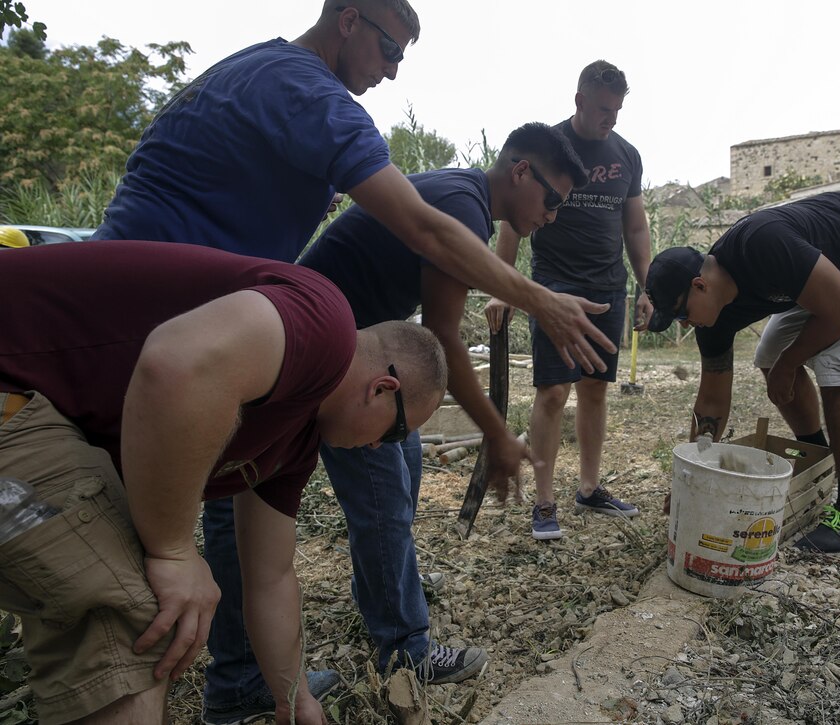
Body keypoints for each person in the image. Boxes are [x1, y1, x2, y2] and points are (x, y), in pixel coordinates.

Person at [89, 1, 615, 720]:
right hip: (243, 339)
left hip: (225, 325)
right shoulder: (317, 97)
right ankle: (390, 651)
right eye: (390, 48)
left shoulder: (269, 75)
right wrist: (538, 308)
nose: (392, 71)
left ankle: (255, 679)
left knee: (283, 489)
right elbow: (434, 283)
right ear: (349, 19)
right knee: (345, 497)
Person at [0, 240, 448, 725]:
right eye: (398, 431)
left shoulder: (293, 441)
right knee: (135, 622)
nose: (384, 447)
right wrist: (172, 551)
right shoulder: (324, 325)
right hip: (14, 388)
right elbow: (175, 361)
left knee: (111, 610)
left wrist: (292, 695)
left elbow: (271, 576)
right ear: (383, 389)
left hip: (40, 423)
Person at [297, 121, 588, 681]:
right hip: (332, 361)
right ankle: (405, 649)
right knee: (383, 496)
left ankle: (386, 595)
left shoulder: (462, 192)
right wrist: (498, 434)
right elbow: (445, 337)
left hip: (354, 349)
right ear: (521, 171)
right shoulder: (465, 208)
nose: (552, 215)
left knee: (402, 468)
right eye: (552, 199)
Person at [644, 191, 840, 553]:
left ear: (699, 285)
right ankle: (817, 460)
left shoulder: (760, 244)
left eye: (681, 315)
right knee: (770, 353)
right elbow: (710, 400)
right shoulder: (714, 317)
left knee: (839, 363)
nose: (684, 325)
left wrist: (790, 364)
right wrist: (691, 475)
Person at [485, 60, 653, 540]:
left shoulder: (627, 156)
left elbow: (636, 226)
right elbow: (513, 218)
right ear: (579, 101)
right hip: (554, 285)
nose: (611, 119)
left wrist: (647, 284)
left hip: (607, 286)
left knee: (596, 389)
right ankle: (543, 501)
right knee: (554, 392)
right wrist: (504, 288)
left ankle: (589, 487)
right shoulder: (549, 148)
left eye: (618, 110)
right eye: (603, 109)